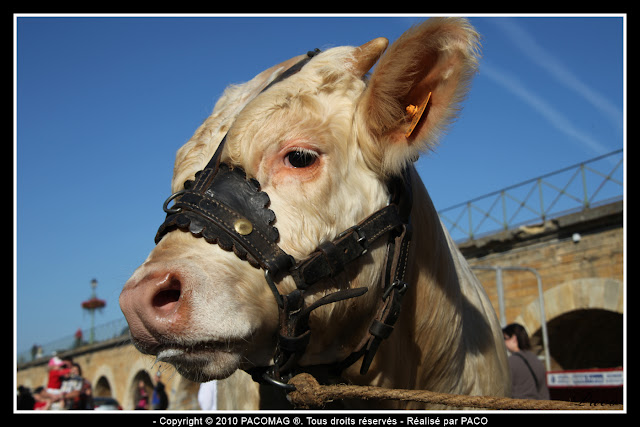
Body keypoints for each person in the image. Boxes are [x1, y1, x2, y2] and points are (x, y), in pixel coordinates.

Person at [503, 323, 550, 400]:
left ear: (514, 339)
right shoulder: (537, 360)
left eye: (505, 338)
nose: (504, 342)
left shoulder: (510, 362)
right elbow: (543, 391)